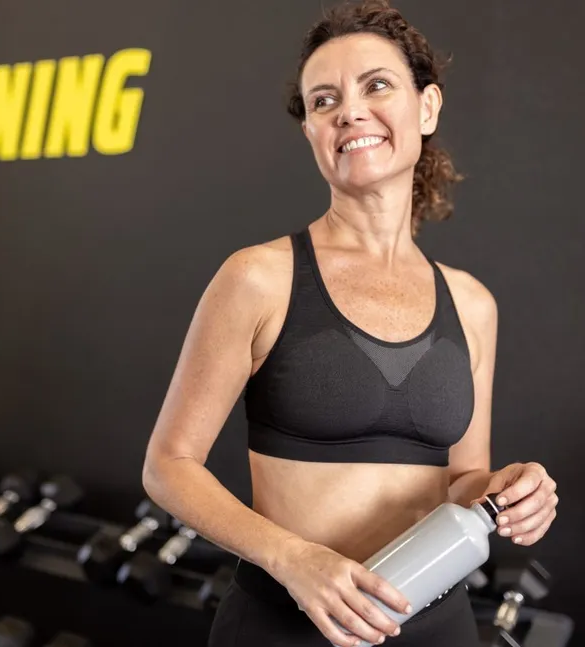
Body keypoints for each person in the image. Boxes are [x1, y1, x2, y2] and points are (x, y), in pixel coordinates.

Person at [141, 1, 559, 645]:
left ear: (427, 108)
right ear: (311, 130)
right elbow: (169, 465)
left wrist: (510, 488)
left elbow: (464, 480)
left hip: (436, 624)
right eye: (324, 99)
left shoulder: (472, 303)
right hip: (288, 622)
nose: (350, 111)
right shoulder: (259, 277)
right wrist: (293, 558)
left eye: (377, 85)